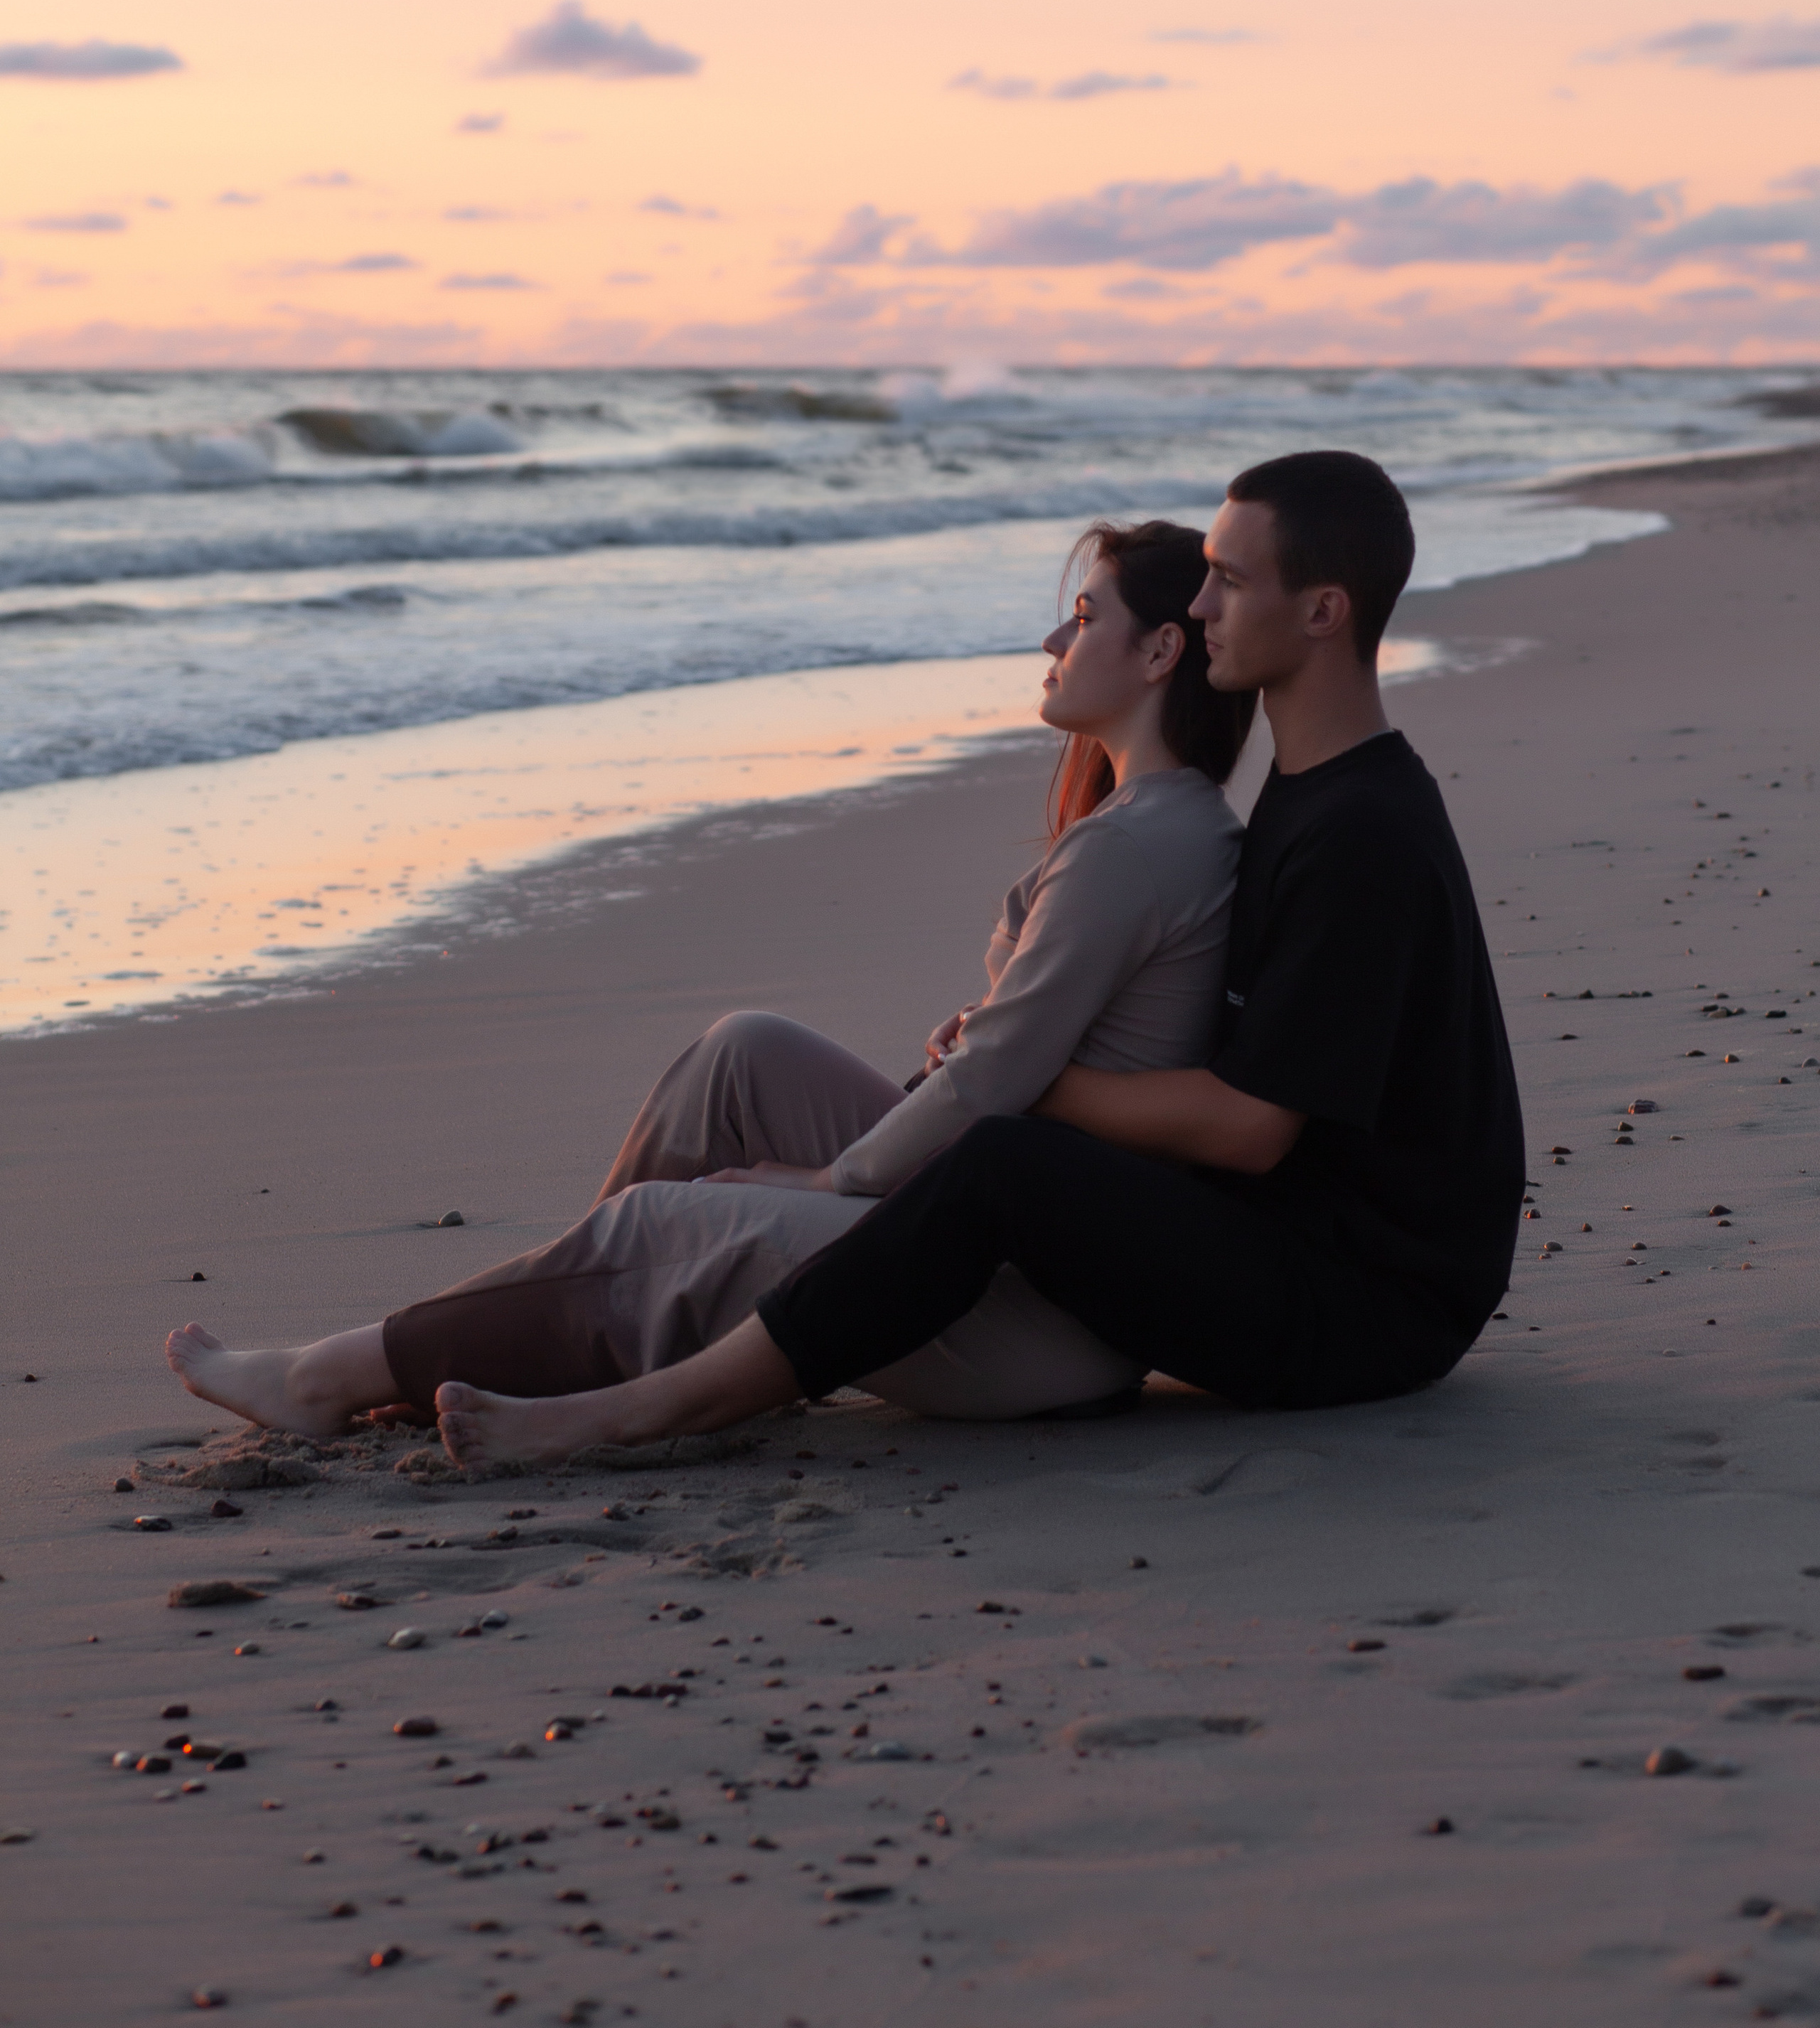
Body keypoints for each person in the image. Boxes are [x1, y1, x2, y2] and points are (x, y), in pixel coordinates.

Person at [414, 449, 1528, 1469]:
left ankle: (644, 1407)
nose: (1200, 603)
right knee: (831, 1086)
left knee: (1003, 1157)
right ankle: (570, 1336)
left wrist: (1039, 1079)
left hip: (1363, 1310)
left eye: (1230, 582)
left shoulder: (1363, 833)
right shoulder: (1303, 794)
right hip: (1290, 1250)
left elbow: (1251, 1126)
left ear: (1324, 610)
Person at [165, 520, 1255, 1439]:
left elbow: (995, 1084)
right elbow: (1022, 1057)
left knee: (667, 1223)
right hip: (1007, 1248)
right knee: (745, 1055)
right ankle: (525, 1340)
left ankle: (328, 1378)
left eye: (1087, 615)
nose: (1054, 637)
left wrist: (821, 1185)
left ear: (1161, 654)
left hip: (1027, 1316)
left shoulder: (1134, 848)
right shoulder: (1143, 829)